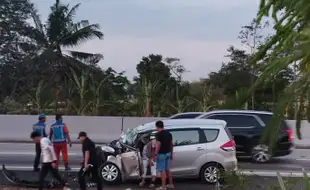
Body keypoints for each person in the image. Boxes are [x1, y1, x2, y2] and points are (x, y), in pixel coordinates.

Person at [153, 120, 174, 190]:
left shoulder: (158, 134)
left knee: (162, 171)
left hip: (161, 154)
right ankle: (171, 184)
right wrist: (171, 153)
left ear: (157, 127)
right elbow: (171, 144)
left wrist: (155, 154)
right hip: (168, 153)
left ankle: (163, 187)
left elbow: (158, 144)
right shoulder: (168, 133)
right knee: (168, 169)